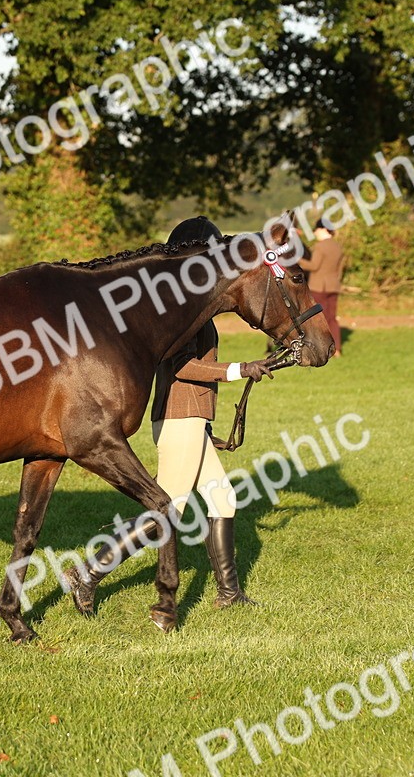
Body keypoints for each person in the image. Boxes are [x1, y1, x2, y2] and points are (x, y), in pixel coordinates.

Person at [64, 217, 274, 616]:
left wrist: (205, 426)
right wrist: (239, 369)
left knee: (223, 498)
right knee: (169, 506)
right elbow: (182, 365)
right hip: (180, 418)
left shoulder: (191, 305)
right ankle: (88, 572)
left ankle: (230, 594)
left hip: (191, 420)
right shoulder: (183, 311)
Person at [297, 218, 344, 356]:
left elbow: (314, 266)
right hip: (333, 286)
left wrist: (297, 260)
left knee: (317, 319)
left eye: (316, 230)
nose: (315, 233)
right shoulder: (338, 246)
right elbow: (340, 270)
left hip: (319, 287)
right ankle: (337, 349)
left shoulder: (320, 246)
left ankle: (320, 348)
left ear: (323, 229)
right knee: (332, 318)